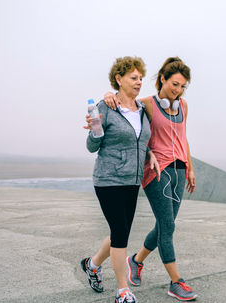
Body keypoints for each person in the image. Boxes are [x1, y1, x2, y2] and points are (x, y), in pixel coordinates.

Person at [104, 57, 197, 301]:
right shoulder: (147, 104)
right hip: (156, 172)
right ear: (163, 79)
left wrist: (190, 168)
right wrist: (107, 95)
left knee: (165, 225)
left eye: (182, 87)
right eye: (174, 84)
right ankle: (176, 282)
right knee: (168, 226)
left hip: (179, 171)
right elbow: (124, 103)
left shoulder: (184, 106)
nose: (177, 90)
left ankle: (136, 261)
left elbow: (184, 137)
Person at [82, 56, 160, 303]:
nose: (138, 82)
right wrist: (95, 130)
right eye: (133, 78)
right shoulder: (105, 107)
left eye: (140, 78)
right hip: (108, 180)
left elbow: (140, 140)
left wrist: (150, 154)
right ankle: (123, 290)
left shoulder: (142, 111)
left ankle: (92, 265)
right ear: (119, 79)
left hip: (132, 181)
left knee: (121, 232)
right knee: (120, 232)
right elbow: (91, 146)